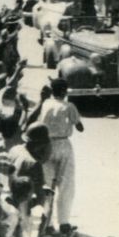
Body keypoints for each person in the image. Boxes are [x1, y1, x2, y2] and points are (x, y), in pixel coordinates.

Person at [36, 78, 83, 228]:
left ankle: (48, 222)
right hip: (63, 144)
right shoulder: (69, 106)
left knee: (47, 184)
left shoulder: (46, 104)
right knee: (66, 184)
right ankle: (63, 222)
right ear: (64, 91)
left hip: (46, 143)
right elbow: (80, 127)